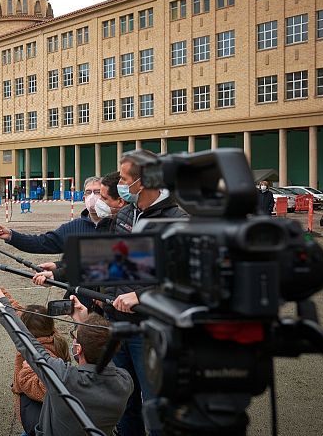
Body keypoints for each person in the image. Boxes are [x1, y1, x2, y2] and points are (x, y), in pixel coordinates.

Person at [0, 281, 133, 436]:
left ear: (78, 349)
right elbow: (103, 354)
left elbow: (25, 341)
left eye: (75, 337)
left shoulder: (64, 378)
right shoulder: (125, 382)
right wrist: (84, 323)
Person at [112, 149, 188, 436]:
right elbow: (112, 262)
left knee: (156, 407)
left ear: (141, 183)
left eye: (123, 178)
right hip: (119, 325)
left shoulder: (176, 220)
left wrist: (142, 296)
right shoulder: (127, 213)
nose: (119, 184)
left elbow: (186, 280)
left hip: (152, 332)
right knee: (124, 404)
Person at [30, 172, 127, 287]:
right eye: (88, 192)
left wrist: (57, 274)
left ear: (120, 201)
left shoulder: (122, 225)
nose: (96, 199)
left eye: (101, 196)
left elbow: (108, 263)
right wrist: (59, 266)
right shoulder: (75, 225)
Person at [0, 290, 70, 436]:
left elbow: (44, 391)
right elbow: (15, 311)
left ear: (26, 333)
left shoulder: (44, 356)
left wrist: (25, 372)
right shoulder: (47, 333)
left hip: (38, 414)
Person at [0, 177, 103, 254]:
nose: (92, 196)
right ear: (84, 198)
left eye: (97, 192)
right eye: (89, 192)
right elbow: (42, 242)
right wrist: (12, 236)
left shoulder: (117, 224)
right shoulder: (73, 228)